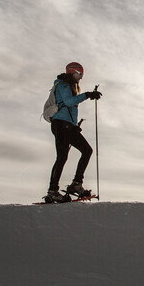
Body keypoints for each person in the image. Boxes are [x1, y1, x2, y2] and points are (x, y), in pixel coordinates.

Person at [44, 62, 102, 203]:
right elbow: (69, 102)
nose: (81, 77)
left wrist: (74, 126)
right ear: (73, 72)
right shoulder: (63, 85)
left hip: (66, 126)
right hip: (62, 125)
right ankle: (55, 190)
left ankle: (74, 184)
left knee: (83, 151)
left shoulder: (68, 86)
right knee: (64, 156)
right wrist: (87, 95)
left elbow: (68, 107)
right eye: (80, 74)